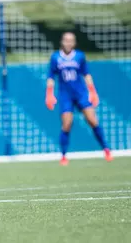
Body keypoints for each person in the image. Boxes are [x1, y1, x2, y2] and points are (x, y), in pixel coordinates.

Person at [45, 32, 113, 166]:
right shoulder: (56, 58)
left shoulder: (79, 56)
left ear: (74, 43)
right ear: (61, 42)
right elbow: (51, 77)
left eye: (71, 41)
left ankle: (106, 149)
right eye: (66, 40)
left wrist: (93, 92)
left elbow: (86, 74)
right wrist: (49, 94)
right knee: (66, 124)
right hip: (65, 96)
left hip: (81, 94)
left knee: (93, 121)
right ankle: (64, 155)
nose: (68, 43)